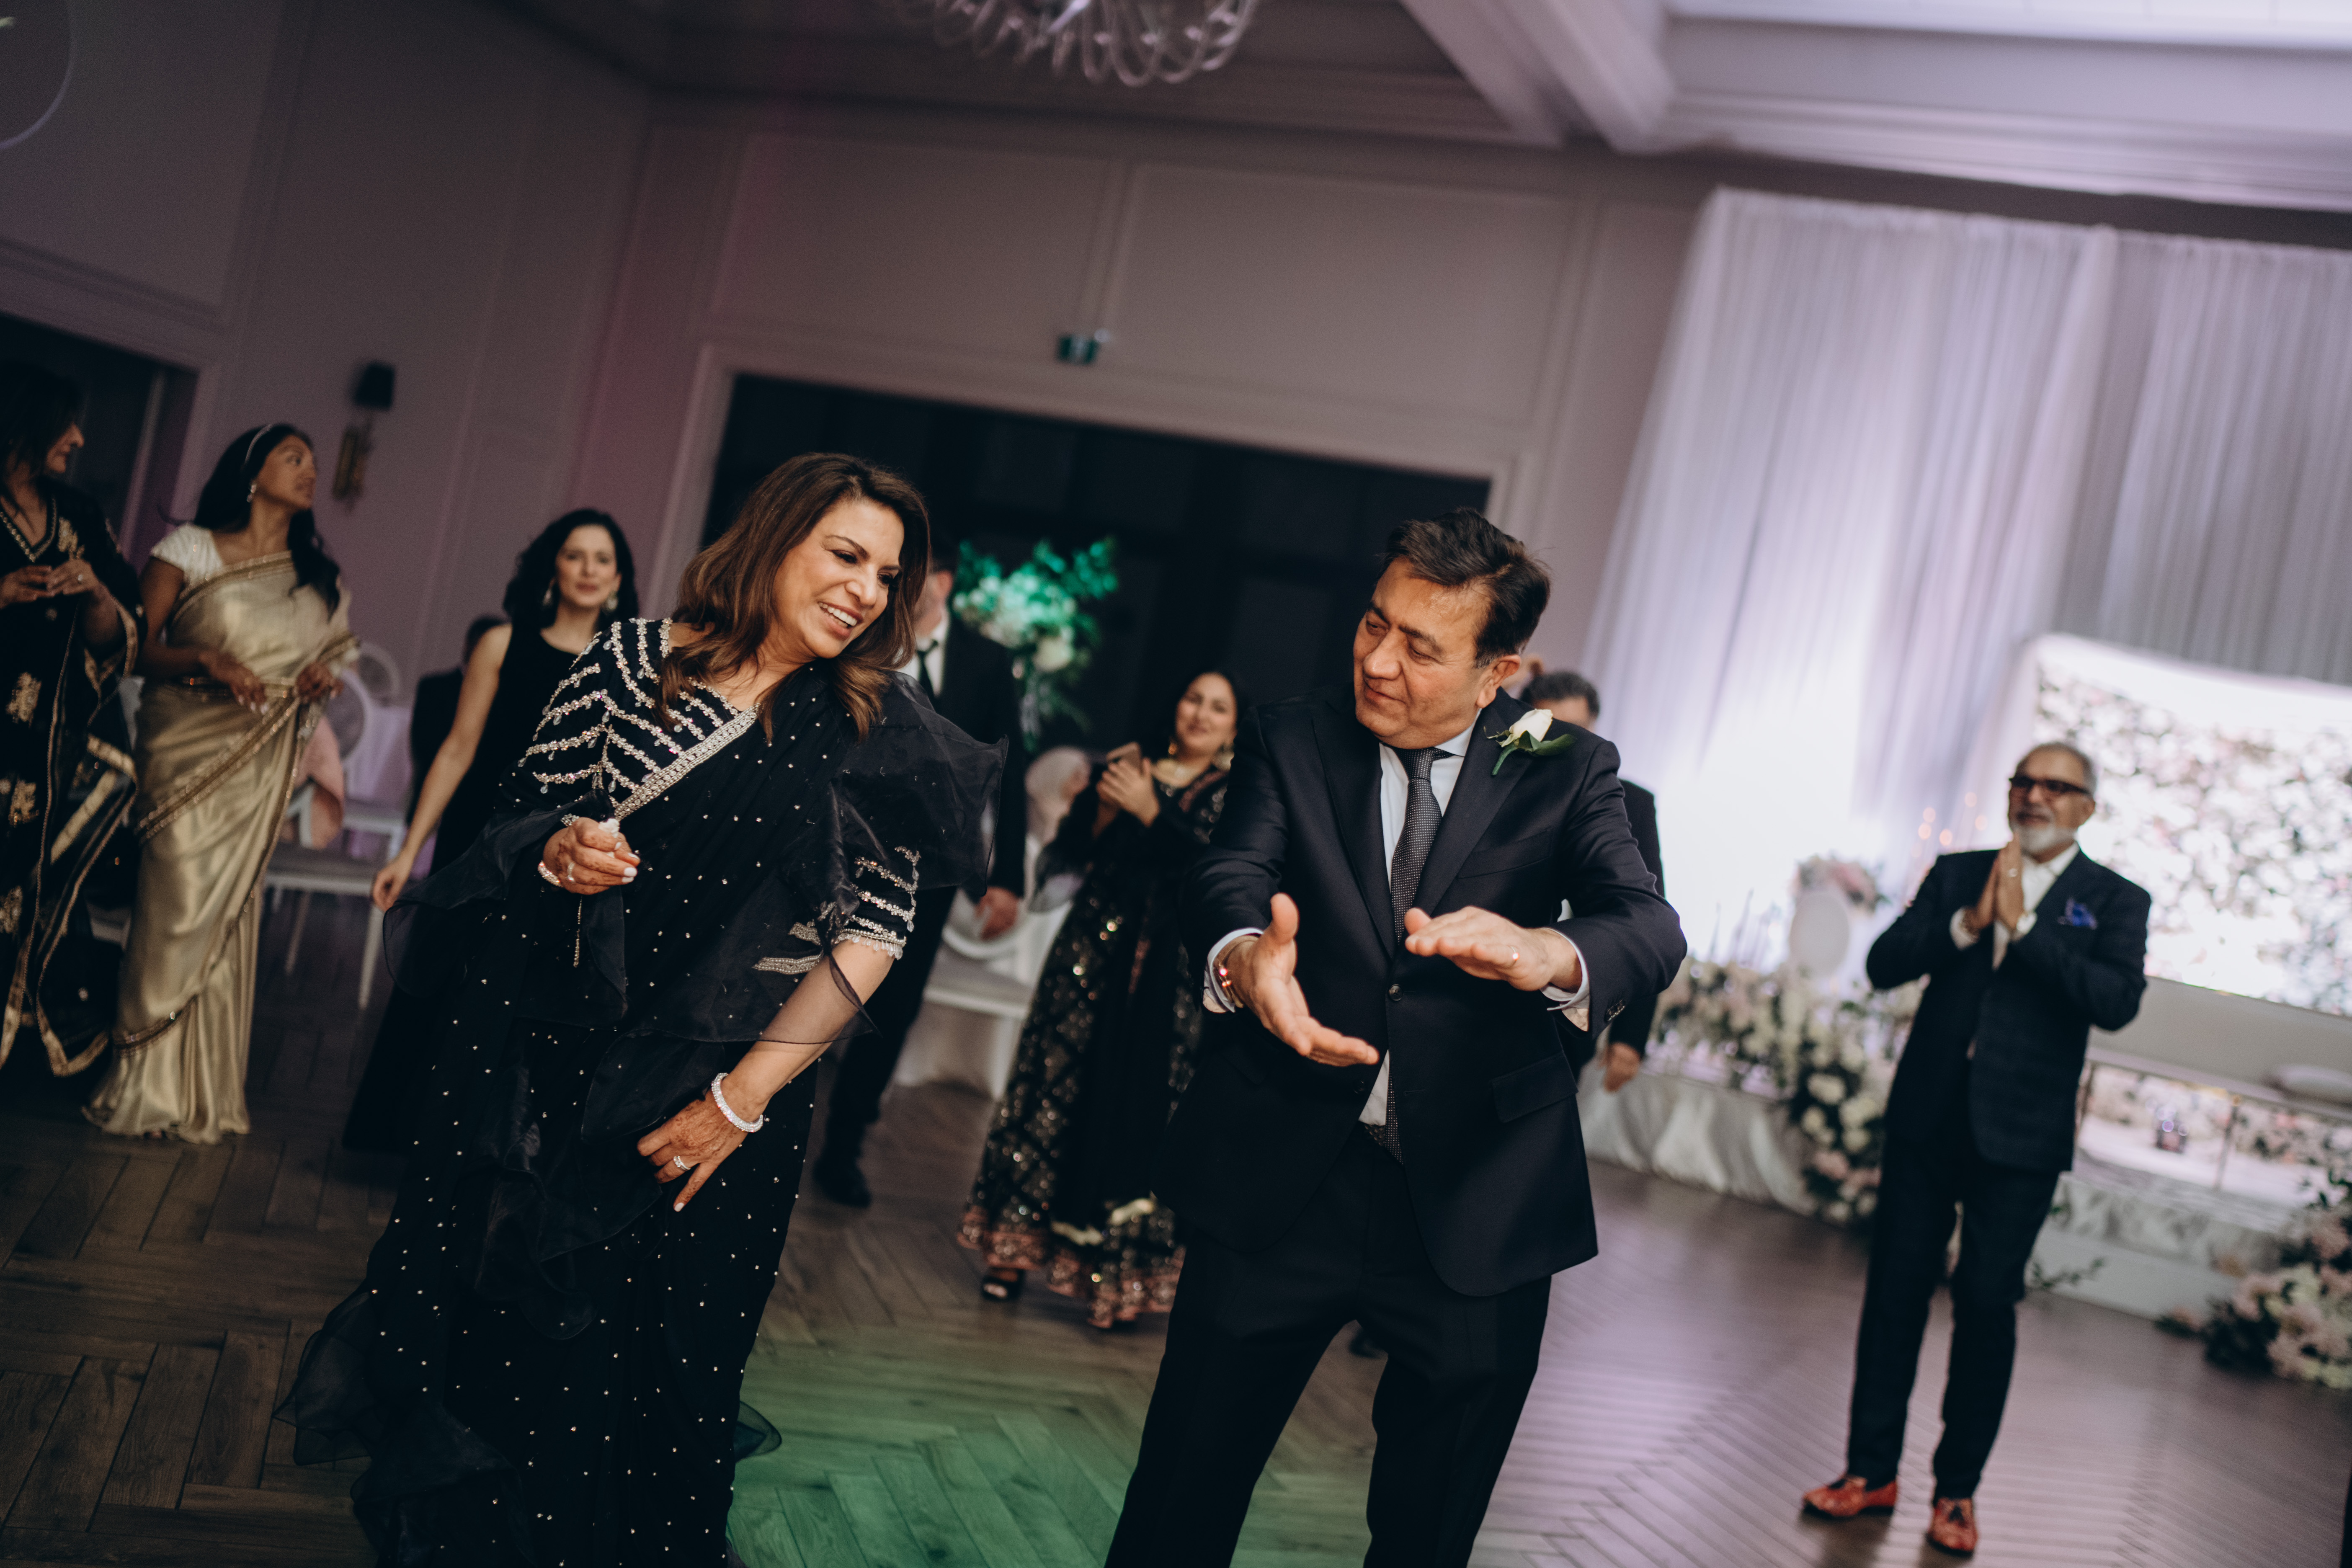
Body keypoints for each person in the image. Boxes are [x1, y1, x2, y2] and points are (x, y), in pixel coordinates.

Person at [278, 454, 1000, 1566]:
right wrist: (558, 850)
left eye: (887, 575)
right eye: (847, 555)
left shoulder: (879, 727)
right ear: (776, 539)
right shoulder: (631, 662)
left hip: (731, 1108)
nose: (867, 591)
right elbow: (521, 814)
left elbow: (876, 935)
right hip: (567, 1068)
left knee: (676, 1367)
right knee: (524, 1344)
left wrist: (738, 1105)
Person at [1106, 508, 1684, 1568]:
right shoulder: (1293, 734)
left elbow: (1647, 925)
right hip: (1282, 1179)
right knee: (1180, 1496)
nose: (1377, 661)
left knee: (1427, 1534)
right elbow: (1230, 871)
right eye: (1375, 622)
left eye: (1421, 647)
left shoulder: (1568, 765)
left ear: (1499, 671)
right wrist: (1246, 956)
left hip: (1480, 1197)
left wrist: (1545, 951)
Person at [1802, 741, 2148, 1558]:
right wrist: (1969, 923)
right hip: (1928, 1117)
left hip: (2021, 1137)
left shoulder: (2115, 898)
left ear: (2086, 808)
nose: (2034, 795)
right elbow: (1884, 964)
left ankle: (1956, 1490)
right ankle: (1869, 1471)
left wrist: (2022, 927)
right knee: (1893, 1294)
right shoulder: (1960, 873)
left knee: (1987, 1306)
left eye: (2055, 786)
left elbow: (2114, 1001)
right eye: (2023, 781)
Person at [85, 426, 353, 1142]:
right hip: (184, 749)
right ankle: (143, 1085)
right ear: (252, 472)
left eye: (313, 460)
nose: (311, 470)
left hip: (258, 759)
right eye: (294, 458)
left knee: (228, 911)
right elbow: (136, 650)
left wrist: (317, 678)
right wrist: (205, 659)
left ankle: (201, 1093)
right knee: (172, 910)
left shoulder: (316, 576)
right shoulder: (190, 549)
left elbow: (326, 661)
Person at [341, 511, 639, 1154]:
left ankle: (484, 1149)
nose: (588, 570)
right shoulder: (502, 644)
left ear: (618, 579)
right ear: (553, 568)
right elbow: (458, 749)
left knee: (519, 997)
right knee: (445, 980)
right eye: (575, 555)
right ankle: (404, 1138)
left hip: (562, 849)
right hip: (481, 835)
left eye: (602, 559)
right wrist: (409, 852)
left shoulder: (629, 667)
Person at [961, 670, 1244, 1327]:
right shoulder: (1127, 768)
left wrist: (1152, 813)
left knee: (1140, 1110)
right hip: (1088, 959)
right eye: (1192, 698)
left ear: (1234, 728)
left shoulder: (1234, 795)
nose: (1200, 714)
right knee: (1052, 1091)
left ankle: (1117, 1280)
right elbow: (1068, 860)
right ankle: (1011, 1249)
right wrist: (1104, 811)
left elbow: (1216, 876)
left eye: (1218, 707)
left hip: (1168, 980)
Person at [810, 533, 1029, 1207]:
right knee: (802, 982)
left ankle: (844, 1148)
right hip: (832, 851)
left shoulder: (987, 662)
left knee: (892, 1010)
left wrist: (1008, 876)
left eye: (914, 574)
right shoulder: (862, 641)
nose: (901, 587)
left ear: (945, 582)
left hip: (926, 871)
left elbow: (1009, 769)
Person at [0, 363, 142, 1077]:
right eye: (67, 423)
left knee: (22, 889)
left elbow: (120, 633)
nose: (80, 438)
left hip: (48, 750)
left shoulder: (79, 515)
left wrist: (94, 597)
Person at [1523, 668, 1663, 1092]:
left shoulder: (1631, 803)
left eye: (1579, 731)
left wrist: (1630, 1037)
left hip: (1572, 1018)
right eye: (1551, 730)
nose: (1566, 743)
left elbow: (1644, 918)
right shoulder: (1501, 788)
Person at [404, 613, 506, 815]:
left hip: (485, 801)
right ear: (468, 645)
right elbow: (425, 746)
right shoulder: (434, 687)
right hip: (436, 793)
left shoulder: (507, 697)